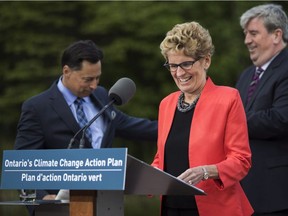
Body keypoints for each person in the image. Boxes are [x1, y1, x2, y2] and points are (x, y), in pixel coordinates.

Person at [14, 40, 157, 215]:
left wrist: (181, 128)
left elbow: (131, 126)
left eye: (98, 78)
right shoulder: (37, 107)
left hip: (106, 205)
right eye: (88, 79)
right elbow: (20, 167)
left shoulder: (102, 96)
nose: (94, 85)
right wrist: (39, 201)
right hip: (59, 209)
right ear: (66, 71)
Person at [151, 21, 253, 216]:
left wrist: (207, 171)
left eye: (186, 63)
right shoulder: (166, 104)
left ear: (206, 61)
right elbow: (162, 157)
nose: (179, 73)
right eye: (173, 65)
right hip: (170, 207)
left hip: (215, 208)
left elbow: (241, 161)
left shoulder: (228, 98)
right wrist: (147, 175)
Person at [235, 4, 288, 216]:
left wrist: (230, 120)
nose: (247, 40)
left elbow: (280, 118)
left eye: (254, 33)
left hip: (276, 194)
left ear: (277, 35)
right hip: (244, 192)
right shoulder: (247, 75)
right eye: (246, 33)